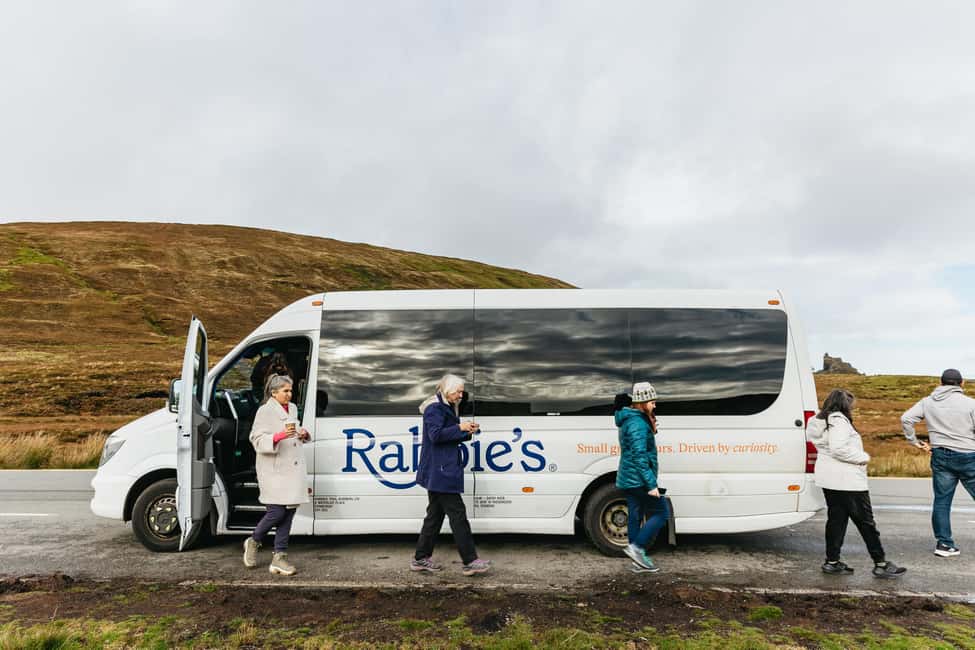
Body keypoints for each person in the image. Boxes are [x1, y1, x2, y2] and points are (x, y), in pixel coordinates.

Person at [807, 389, 906, 578]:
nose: (852, 408)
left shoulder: (819, 421)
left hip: (829, 479)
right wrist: (862, 457)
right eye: (850, 405)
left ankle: (832, 562)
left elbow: (821, 444)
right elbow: (838, 449)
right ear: (845, 405)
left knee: (836, 521)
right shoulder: (839, 420)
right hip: (848, 481)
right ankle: (881, 564)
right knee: (866, 523)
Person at [411, 374, 490, 576]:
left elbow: (447, 435)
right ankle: (470, 560)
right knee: (458, 515)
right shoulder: (434, 409)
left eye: (462, 392)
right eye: (458, 391)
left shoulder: (445, 406)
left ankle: (420, 558)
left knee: (434, 517)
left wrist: (467, 432)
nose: (461, 395)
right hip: (441, 472)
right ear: (447, 391)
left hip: (440, 471)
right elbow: (436, 436)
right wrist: (459, 427)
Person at [901, 368, 975, 558]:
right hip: (968, 456)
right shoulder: (970, 404)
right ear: (962, 383)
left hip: (940, 455)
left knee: (942, 502)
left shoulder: (927, 402)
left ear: (941, 382)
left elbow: (906, 418)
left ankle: (944, 544)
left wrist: (915, 442)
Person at [242, 374, 310, 576]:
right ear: (274, 392)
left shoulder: (293, 408)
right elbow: (255, 438)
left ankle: (279, 558)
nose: (289, 394)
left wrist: (303, 434)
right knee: (276, 512)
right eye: (285, 391)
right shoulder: (265, 411)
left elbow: (294, 432)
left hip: (292, 468)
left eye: (290, 390)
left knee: (288, 514)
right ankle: (254, 540)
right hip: (275, 470)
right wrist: (278, 436)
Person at [615, 381, 669, 573]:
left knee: (635, 516)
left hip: (630, 478)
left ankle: (636, 562)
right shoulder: (637, 423)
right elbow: (639, 455)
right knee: (662, 512)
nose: (655, 405)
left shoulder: (633, 420)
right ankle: (636, 548)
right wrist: (651, 484)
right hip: (638, 479)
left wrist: (651, 428)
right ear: (643, 402)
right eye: (652, 402)